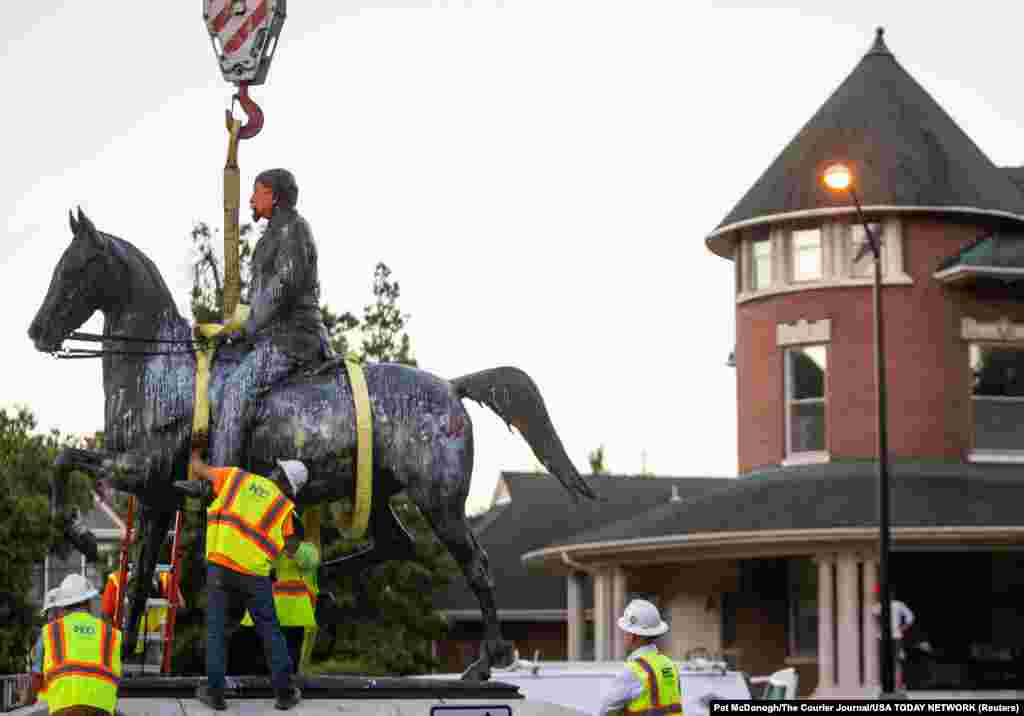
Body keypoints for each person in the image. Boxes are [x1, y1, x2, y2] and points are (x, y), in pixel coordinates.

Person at [210, 168, 331, 469]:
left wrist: (247, 326)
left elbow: (282, 287)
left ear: (274, 196)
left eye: (257, 191)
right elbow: (260, 296)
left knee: (236, 390)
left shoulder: (295, 229)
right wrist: (231, 327)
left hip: (293, 338)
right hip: (269, 336)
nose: (250, 199)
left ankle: (220, 481)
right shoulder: (270, 237)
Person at [181, 448, 308, 711]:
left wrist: (195, 450)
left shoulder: (236, 478)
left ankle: (215, 694)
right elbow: (293, 547)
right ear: (290, 487)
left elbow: (198, 469)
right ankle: (284, 694)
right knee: (270, 632)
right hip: (255, 576)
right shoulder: (285, 507)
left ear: (276, 473)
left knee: (217, 631)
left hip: (221, 567)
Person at [31, 574, 123, 716]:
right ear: (89, 602)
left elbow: (36, 678)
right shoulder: (112, 634)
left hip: (62, 708)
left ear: (62, 605)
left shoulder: (49, 631)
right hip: (102, 709)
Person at [233, 531, 320, 675]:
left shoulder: (307, 550)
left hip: (290, 620)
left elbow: (309, 560)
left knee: (286, 669)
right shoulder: (259, 545)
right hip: (259, 619)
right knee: (254, 669)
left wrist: (289, 546)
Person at [596, 599, 682, 716]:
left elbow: (605, 711)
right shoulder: (670, 665)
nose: (622, 636)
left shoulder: (633, 671)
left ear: (632, 636)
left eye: (624, 631)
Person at [873, 585, 915, 690]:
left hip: (887, 637)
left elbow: (910, 617)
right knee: (894, 661)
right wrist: (902, 628)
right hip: (892, 636)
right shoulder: (885, 605)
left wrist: (901, 628)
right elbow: (910, 618)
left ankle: (893, 684)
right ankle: (894, 684)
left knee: (890, 660)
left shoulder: (883, 605)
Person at [29, 587, 63, 705]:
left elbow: (37, 673)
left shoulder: (46, 633)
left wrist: (29, 698)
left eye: (51, 612)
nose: (49, 617)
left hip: (49, 701)